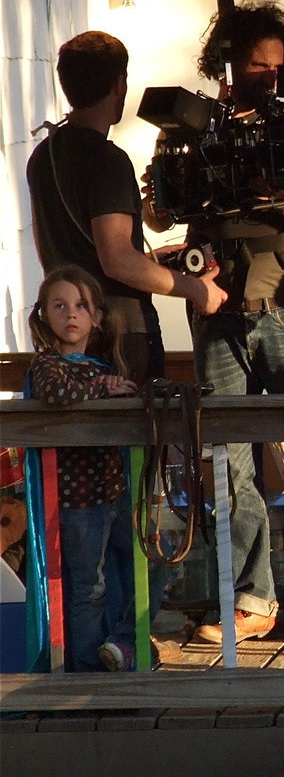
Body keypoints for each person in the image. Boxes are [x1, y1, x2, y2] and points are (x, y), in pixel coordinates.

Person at [144, 0, 284, 643]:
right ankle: (250, 599)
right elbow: (157, 218)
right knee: (228, 458)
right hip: (216, 313)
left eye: (276, 65)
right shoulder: (191, 126)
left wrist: (274, 191)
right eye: (253, 64)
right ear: (226, 64)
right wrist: (171, 183)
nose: (266, 76)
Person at [27, 31, 226, 384]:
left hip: (67, 332)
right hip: (119, 333)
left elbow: (60, 253)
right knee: (132, 438)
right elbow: (117, 260)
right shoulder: (108, 161)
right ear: (120, 83)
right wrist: (196, 289)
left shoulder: (45, 154)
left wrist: (150, 261)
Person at [26, 265, 142, 671]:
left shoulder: (105, 367)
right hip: (77, 504)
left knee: (157, 560)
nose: (70, 313)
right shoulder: (47, 366)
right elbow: (59, 394)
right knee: (88, 590)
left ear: (96, 317)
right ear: (43, 316)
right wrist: (102, 389)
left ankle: (122, 643)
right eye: (59, 305)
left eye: (80, 305)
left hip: (114, 494)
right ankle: (87, 676)